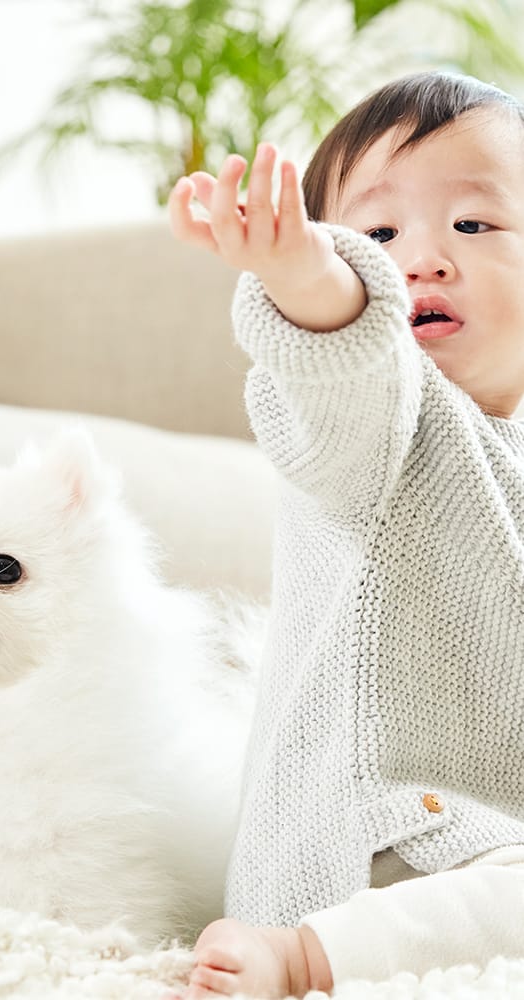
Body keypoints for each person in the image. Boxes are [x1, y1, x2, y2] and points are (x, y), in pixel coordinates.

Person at [165, 70, 524, 999]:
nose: (425, 260)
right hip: (369, 846)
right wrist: (303, 272)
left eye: (474, 225)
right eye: (377, 234)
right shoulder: (383, 424)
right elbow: (343, 357)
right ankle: (303, 964)